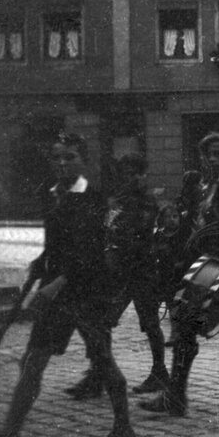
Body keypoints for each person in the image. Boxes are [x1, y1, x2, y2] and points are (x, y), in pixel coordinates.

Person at [0, 132, 135, 437]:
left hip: (86, 293)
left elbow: (88, 251)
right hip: (58, 294)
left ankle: (124, 428)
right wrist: (40, 263)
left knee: (102, 360)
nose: (62, 163)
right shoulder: (54, 194)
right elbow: (57, 243)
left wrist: (55, 283)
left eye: (69, 157)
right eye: (57, 157)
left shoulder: (92, 198)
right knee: (33, 363)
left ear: (82, 160)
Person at [141, 132, 219, 415]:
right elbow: (188, 222)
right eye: (209, 154)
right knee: (184, 325)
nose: (213, 159)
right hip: (198, 265)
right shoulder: (198, 187)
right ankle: (176, 395)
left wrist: (214, 235)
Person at [67, 152, 164, 398]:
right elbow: (108, 227)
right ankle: (97, 374)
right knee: (102, 322)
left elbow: (138, 231)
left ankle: (159, 372)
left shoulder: (147, 201)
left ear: (143, 175)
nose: (129, 178)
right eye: (125, 173)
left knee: (150, 323)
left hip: (141, 270)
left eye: (134, 173)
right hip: (118, 272)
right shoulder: (118, 200)